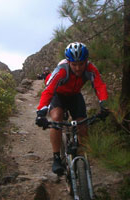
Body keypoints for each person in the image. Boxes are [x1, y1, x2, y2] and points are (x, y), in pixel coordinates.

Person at [34, 42, 110, 175]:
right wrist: (41, 112)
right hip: (58, 95)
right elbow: (48, 91)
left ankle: (84, 158)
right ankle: (57, 157)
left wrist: (104, 104)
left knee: (82, 125)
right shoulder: (62, 70)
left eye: (81, 64)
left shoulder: (90, 68)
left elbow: (99, 86)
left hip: (75, 95)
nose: (78, 68)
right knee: (57, 118)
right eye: (74, 64)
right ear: (68, 62)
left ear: (86, 61)